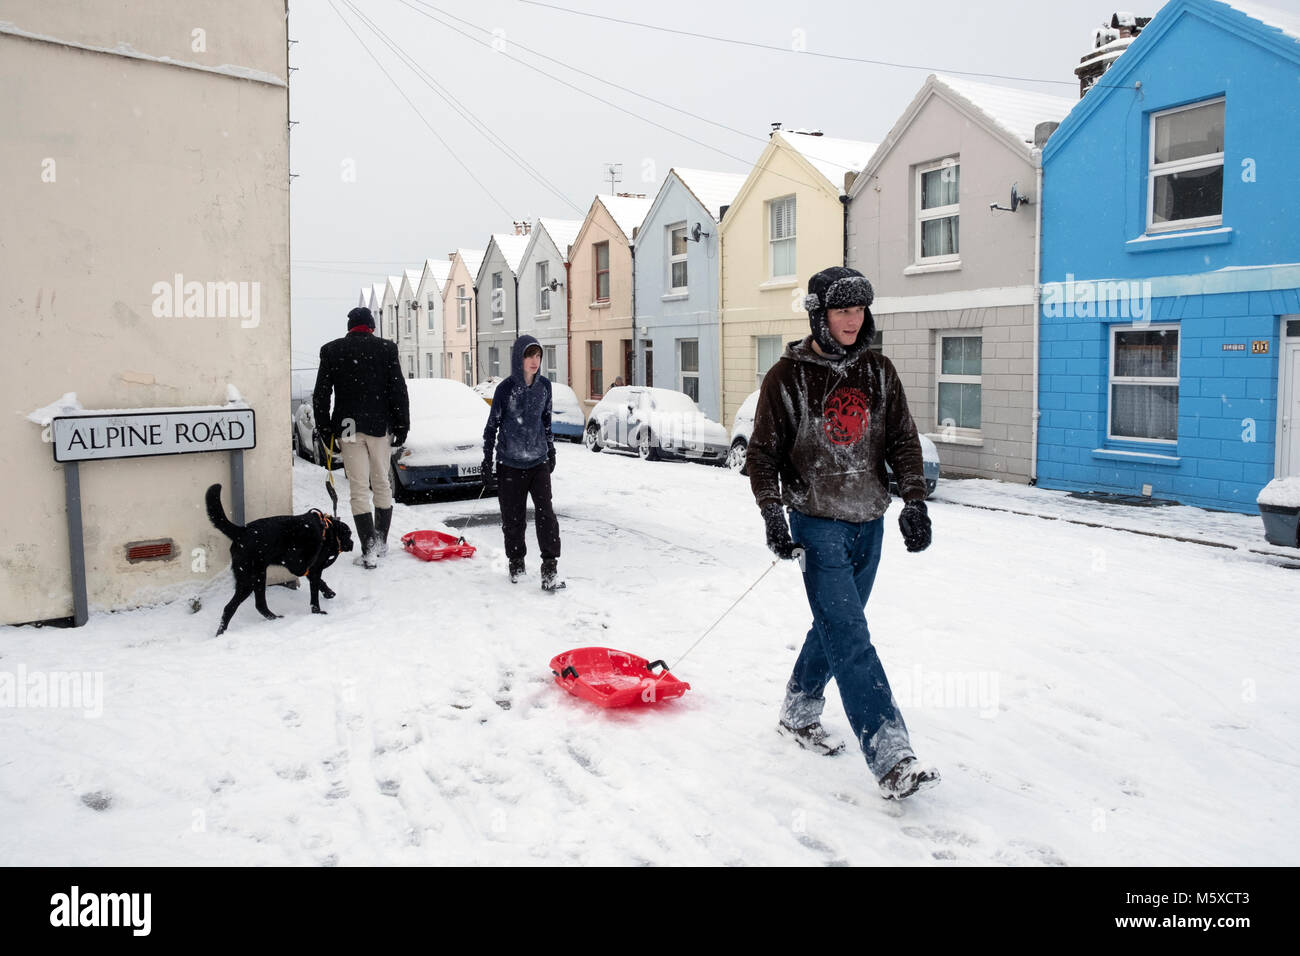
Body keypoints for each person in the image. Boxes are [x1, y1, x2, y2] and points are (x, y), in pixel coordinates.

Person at [746, 266, 939, 801]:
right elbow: (761, 455)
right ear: (819, 315)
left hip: (868, 522)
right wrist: (772, 515)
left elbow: (902, 438)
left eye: (859, 309)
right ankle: (892, 754)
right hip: (816, 522)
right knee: (851, 636)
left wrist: (914, 501)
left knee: (835, 626)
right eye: (842, 310)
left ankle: (799, 708)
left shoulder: (878, 370)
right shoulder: (786, 377)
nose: (853, 320)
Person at [312, 306, 409, 569]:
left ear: (349, 327)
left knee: (357, 488)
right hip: (380, 424)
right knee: (381, 482)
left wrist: (324, 429)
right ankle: (381, 542)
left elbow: (321, 395)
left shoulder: (331, 350)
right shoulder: (387, 349)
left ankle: (368, 550)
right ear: (371, 327)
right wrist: (402, 425)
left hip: (347, 424)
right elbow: (398, 390)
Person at [482, 335, 563, 590]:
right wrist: (487, 460)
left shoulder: (545, 387)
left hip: (537, 462)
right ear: (519, 358)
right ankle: (516, 563)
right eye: (530, 355)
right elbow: (491, 427)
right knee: (513, 518)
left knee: (546, 515)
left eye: (538, 356)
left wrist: (550, 449)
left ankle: (549, 567)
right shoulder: (505, 389)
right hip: (510, 463)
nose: (535, 361)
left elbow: (546, 421)